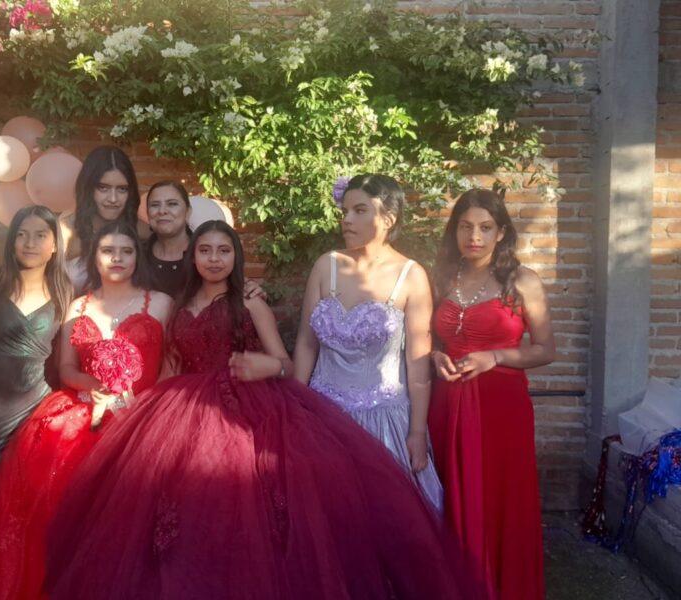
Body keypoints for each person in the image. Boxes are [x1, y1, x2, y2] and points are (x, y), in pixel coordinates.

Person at [44, 220, 484, 600]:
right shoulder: (179, 305)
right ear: (192, 256)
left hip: (245, 411)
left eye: (223, 251)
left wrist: (265, 366)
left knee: (242, 513)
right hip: (180, 410)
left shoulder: (251, 301)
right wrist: (145, 417)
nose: (214, 259)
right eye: (205, 250)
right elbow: (171, 367)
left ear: (236, 257)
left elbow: (287, 363)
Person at [0, 222, 172, 600]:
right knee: (51, 502)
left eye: (126, 251)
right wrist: (94, 387)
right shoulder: (76, 306)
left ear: (137, 257)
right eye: (107, 251)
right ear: (94, 258)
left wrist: (145, 406)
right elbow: (66, 370)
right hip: (82, 411)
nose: (117, 258)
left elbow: (170, 366)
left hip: (141, 415)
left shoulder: (161, 303)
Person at [428, 188, 555, 600]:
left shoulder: (522, 281)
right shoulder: (441, 278)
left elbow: (545, 350)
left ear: (501, 233)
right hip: (446, 403)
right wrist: (434, 356)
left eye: (485, 227)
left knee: (499, 498)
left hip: (501, 409)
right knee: (449, 493)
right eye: (465, 227)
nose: (474, 236)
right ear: (455, 231)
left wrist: (496, 356)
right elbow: (428, 338)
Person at [294, 174, 442, 512]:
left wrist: (417, 431)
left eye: (359, 210)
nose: (346, 219)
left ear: (388, 218)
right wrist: (295, 407)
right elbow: (306, 344)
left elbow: (418, 364)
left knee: (385, 514)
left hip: (384, 422)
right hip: (323, 417)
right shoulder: (326, 265)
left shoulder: (411, 276)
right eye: (345, 211)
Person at [0, 205, 73, 476]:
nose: (30, 243)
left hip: (37, 413)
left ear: (55, 245)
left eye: (40, 235)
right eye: (21, 234)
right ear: (11, 242)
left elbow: (66, 361)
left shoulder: (65, 292)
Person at [59, 145, 151, 291]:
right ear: (88, 188)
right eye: (103, 188)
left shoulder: (144, 232)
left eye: (122, 189)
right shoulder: (65, 232)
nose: (113, 199)